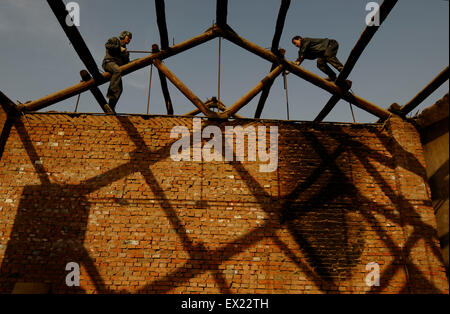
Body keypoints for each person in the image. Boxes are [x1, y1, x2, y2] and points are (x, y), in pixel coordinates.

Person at [102, 31, 132, 113]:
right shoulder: (115, 40)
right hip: (108, 62)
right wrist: (119, 48)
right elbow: (107, 45)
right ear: (123, 36)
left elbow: (126, 63)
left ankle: (111, 106)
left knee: (120, 89)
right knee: (118, 70)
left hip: (116, 67)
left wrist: (126, 55)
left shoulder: (125, 49)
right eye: (128, 37)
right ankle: (110, 94)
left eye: (130, 38)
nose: (129, 39)